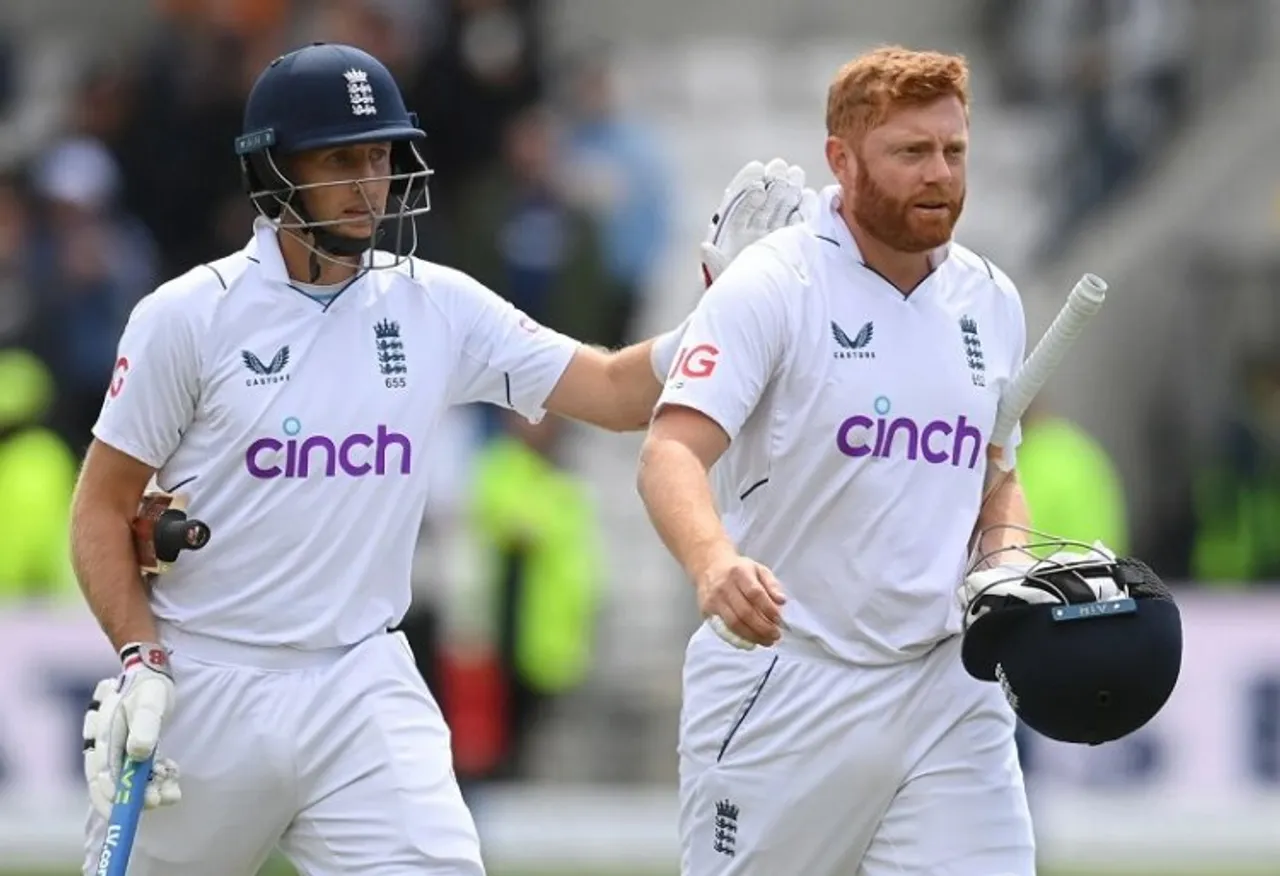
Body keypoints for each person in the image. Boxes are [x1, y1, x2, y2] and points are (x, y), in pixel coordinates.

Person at [73, 42, 810, 876]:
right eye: (341, 158)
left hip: (362, 681)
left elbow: (610, 390)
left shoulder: (434, 303)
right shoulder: (188, 318)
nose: (370, 180)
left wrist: (723, 307)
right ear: (275, 170)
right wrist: (140, 656)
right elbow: (101, 506)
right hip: (207, 682)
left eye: (381, 155)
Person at [637, 46, 1039, 874]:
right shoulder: (772, 284)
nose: (940, 175)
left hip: (943, 688)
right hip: (785, 681)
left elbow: (996, 476)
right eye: (911, 153)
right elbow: (671, 448)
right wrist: (714, 564)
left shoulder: (992, 300)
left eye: (954, 151)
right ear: (841, 160)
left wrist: (1004, 565)